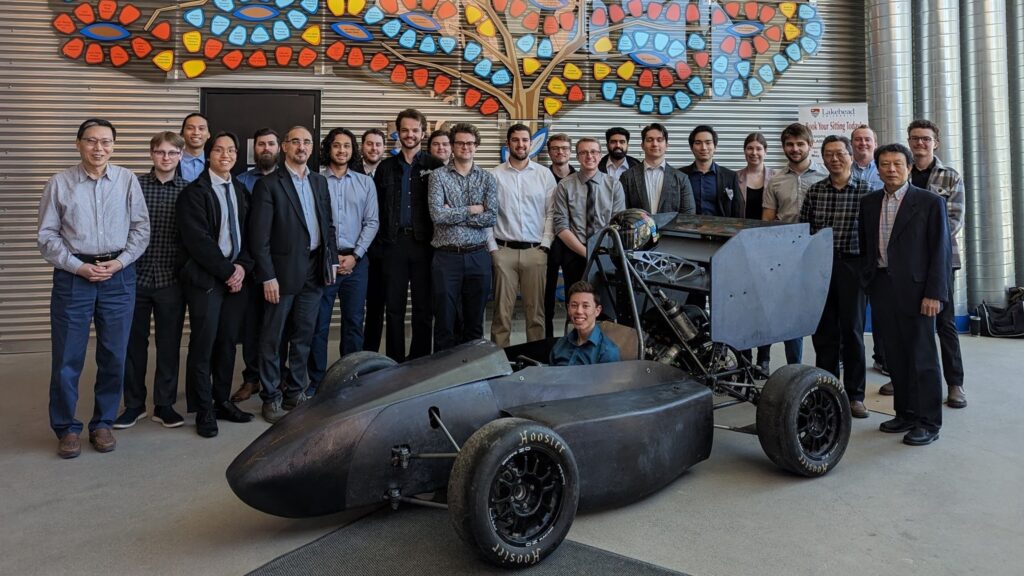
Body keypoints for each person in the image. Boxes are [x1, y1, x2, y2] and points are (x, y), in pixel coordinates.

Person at [38, 118, 150, 458]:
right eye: (91, 141)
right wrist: (78, 266)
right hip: (74, 277)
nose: (98, 148)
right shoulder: (59, 183)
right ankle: (66, 427)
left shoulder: (127, 180)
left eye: (106, 142)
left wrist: (119, 262)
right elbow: (47, 235)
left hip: (118, 276)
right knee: (67, 358)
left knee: (115, 355)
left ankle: (102, 422)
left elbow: (140, 228)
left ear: (113, 146)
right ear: (78, 144)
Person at [858, 143, 950, 446]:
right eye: (884, 164)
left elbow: (940, 252)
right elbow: (866, 246)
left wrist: (934, 294)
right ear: (878, 168)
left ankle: (929, 421)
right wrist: (869, 281)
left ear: (909, 167)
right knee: (895, 356)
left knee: (922, 357)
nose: (891, 169)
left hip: (918, 291)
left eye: (898, 164)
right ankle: (906, 413)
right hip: (883, 288)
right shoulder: (869, 202)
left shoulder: (928, 202)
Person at [250, 126, 336, 422]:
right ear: (284, 147)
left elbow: (329, 226)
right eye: (296, 141)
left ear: (312, 148)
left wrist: (332, 260)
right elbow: (258, 238)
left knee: (304, 335)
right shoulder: (269, 184)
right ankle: (270, 396)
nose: (301, 146)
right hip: (281, 274)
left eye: (307, 142)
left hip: (314, 270)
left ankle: (295, 393)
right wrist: (267, 276)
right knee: (272, 338)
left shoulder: (319, 182)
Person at [177, 132, 256, 437]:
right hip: (207, 280)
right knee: (204, 344)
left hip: (236, 280)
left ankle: (222, 400)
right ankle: (203, 408)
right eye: (219, 150)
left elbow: (251, 235)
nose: (226, 155)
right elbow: (198, 242)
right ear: (208, 154)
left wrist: (242, 268)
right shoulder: (194, 193)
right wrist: (228, 271)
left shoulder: (239, 189)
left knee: (226, 344)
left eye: (232, 150)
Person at [117, 131, 187, 430]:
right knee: (133, 344)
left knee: (169, 344)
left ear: (181, 156)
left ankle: (164, 404)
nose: (166, 157)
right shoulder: (134, 186)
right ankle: (133, 405)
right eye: (160, 152)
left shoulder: (189, 189)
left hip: (172, 278)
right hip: (135, 276)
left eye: (172, 153)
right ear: (151, 154)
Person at [799, 136, 873, 419]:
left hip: (852, 267)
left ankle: (855, 396)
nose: (834, 159)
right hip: (820, 267)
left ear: (851, 156)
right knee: (824, 333)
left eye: (840, 153)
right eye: (828, 154)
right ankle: (827, 389)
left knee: (853, 332)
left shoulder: (867, 191)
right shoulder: (816, 191)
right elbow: (804, 231)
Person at [308, 128, 379, 394]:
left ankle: (350, 379)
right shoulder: (315, 181)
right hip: (323, 262)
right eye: (336, 146)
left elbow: (372, 222)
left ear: (353, 150)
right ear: (329, 149)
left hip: (356, 262)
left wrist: (355, 255)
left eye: (347, 146)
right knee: (319, 323)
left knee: (352, 323)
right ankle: (316, 382)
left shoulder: (365, 183)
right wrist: (331, 257)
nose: (341, 151)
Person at [905, 119, 968, 409]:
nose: (920, 143)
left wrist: (923, 247)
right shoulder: (899, 173)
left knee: (944, 323)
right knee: (907, 322)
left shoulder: (949, 176)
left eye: (926, 139)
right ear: (909, 141)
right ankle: (904, 377)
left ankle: (955, 383)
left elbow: (954, 221)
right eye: (915, 138)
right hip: (905, 263)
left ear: (935, 143)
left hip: (940, 260)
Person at [374, 109, 442, 361]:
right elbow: (377, 209)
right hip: (394, 245)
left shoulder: (435, 166)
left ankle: (420, 362)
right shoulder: (386, 167)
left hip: (425, 245)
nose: (409, 134)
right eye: (405, 130)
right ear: (398, 133)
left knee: (424, 309)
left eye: (415, 130)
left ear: (423, 133)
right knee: (394, 309)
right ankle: (395, 362)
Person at [428, 123, 498, 351]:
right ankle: (442, 376)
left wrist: (454, 212)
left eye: (470, 143)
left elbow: (491, 217)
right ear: (453, 146)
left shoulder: (487, 178)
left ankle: (474, 373)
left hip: (479, 256)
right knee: (445, 322)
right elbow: (438, 215)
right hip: (447, 258)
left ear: (476, 146)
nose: (465, 147)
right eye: (460, 143)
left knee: (475, 322)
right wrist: (472, 209)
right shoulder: (437, 177)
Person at [762, 122, 827, 364]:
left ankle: (826, 365)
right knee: (791, 313)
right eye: (790, 144)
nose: (795, 148)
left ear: (810, 145)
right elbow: (767, 220)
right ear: (783, 147)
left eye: (800, 144)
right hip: (785, 255)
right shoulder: (776, 180)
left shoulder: (825, 176)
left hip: (817, 252)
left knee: (823, 312)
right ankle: (795, 367)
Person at [489, 123, 558, 347]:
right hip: (504, 252)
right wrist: (493, 249)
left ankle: (534, 362)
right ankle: (500, 362)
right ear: (508, 144)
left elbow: (551, 213)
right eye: (516, 140)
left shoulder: (544, 175)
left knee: (535, 315)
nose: (520, 144)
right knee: (501, 315)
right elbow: (488, 214)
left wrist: (545, 245)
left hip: (535, 252)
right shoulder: (494, 175)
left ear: (531, 143)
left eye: (525, 140)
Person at [232, 127, 281, 403]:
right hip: (250, 264)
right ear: (254, 149)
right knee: (251, 325)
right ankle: (251, 378)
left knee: (279, 325)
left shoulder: (288, 180)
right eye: (261, 144)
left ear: (279, 148)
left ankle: (278, 376)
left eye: (270, 144)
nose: (265, 148)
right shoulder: (241, 182)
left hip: (281, 264)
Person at [552, 137, 626, 291]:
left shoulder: (614, 185)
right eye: (584, 152)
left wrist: (600, 250)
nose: (589, 156)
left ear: (600, 155)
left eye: (593, 152)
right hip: (574, 252)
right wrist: (586, 252)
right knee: (574, 302)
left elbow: (618, 223)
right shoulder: (565, 185)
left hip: (606, 252)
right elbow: (561, 226)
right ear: (577, 156)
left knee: (605, 302)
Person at [849, 124, 888, 377]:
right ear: (851, 144)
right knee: (851, 312)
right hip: (850, 250)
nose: (862, 144)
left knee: (883, 310)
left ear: (874, 143)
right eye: (857, 140)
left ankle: (883, 358)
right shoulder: (841, 169)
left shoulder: (885, 171)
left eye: (867, 140)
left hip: (879, 252)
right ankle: (849, 358)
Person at [736, 132, 774, 372]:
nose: (754, 153)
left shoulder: (777, 178)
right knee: (742, 304)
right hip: (740, 248)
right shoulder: (734, 177)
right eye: (750, 148)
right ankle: (744, 358)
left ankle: (764, 358)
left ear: (765, 152)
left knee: (764, 305)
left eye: (759, 148)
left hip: (766, 249)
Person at [620, 123, 696, 215]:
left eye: (660, 140)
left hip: (671, 229)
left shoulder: (681, 178)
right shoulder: (628, 177)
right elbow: (623, 213)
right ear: (642, 145)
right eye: (649, 140)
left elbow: (688, 214)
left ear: (667, 145)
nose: (655, 144)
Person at [544, 133, 577, 339]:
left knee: (573, 293)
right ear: (549, 152)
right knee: (546, 295)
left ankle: (574, 338)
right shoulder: (541, 175)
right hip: (547, 242)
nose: (560, 151)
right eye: (555, 148)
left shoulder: (579, 177)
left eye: (564, 148)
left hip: (572, 243)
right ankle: (547, 340)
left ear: (570, 151)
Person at [359, 128, 387, 353]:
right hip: (354, 249)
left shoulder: (389, 171)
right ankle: (352, 356)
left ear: (384, 148)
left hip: (381, 251)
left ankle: (370, 353)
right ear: (362, 146)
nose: (374, 148)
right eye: (369, 144)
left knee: (376, 306)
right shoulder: (350, 170)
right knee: (355, 308)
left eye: (378, 144)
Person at [549, 281, 621, 366]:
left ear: (597, 311)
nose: (579, 311)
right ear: (568, 309)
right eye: (574, 305)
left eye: (585, 306)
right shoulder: (561, 344)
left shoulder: (607, 353)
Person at [680, 125, 742, 217]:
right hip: (688, 229)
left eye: (708, 143)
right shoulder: (680, 175)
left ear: (715, 147)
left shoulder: (730, 176)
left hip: (721, 230)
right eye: (698, 143)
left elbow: (737, 210)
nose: (703, 147)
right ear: (691, 147)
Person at [850, 125, 884, 190]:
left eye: (867, 139)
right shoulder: (844, 169)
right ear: (851, 143)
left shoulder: (885, 169)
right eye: (858, 139)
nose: (863, 143)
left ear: (876, 144)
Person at [178, 113, 210, 183]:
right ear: (182, 133)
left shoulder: (214, 162)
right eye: (190, 128)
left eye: (201, 128)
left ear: (208, 134)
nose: (196, 132)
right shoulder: (172, 160)